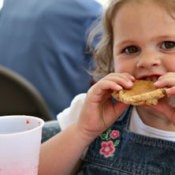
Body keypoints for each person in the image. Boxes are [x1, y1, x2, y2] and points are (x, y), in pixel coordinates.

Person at [39, 0, 175, 174]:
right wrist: (83, 132)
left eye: (169, 45)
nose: (147, 61)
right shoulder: (93, 110)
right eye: (130, 49)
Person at [0, 0, 102, 119]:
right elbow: (112, 66)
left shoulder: (11, 3)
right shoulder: (87, 11)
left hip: (7, 119)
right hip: (57, 124)